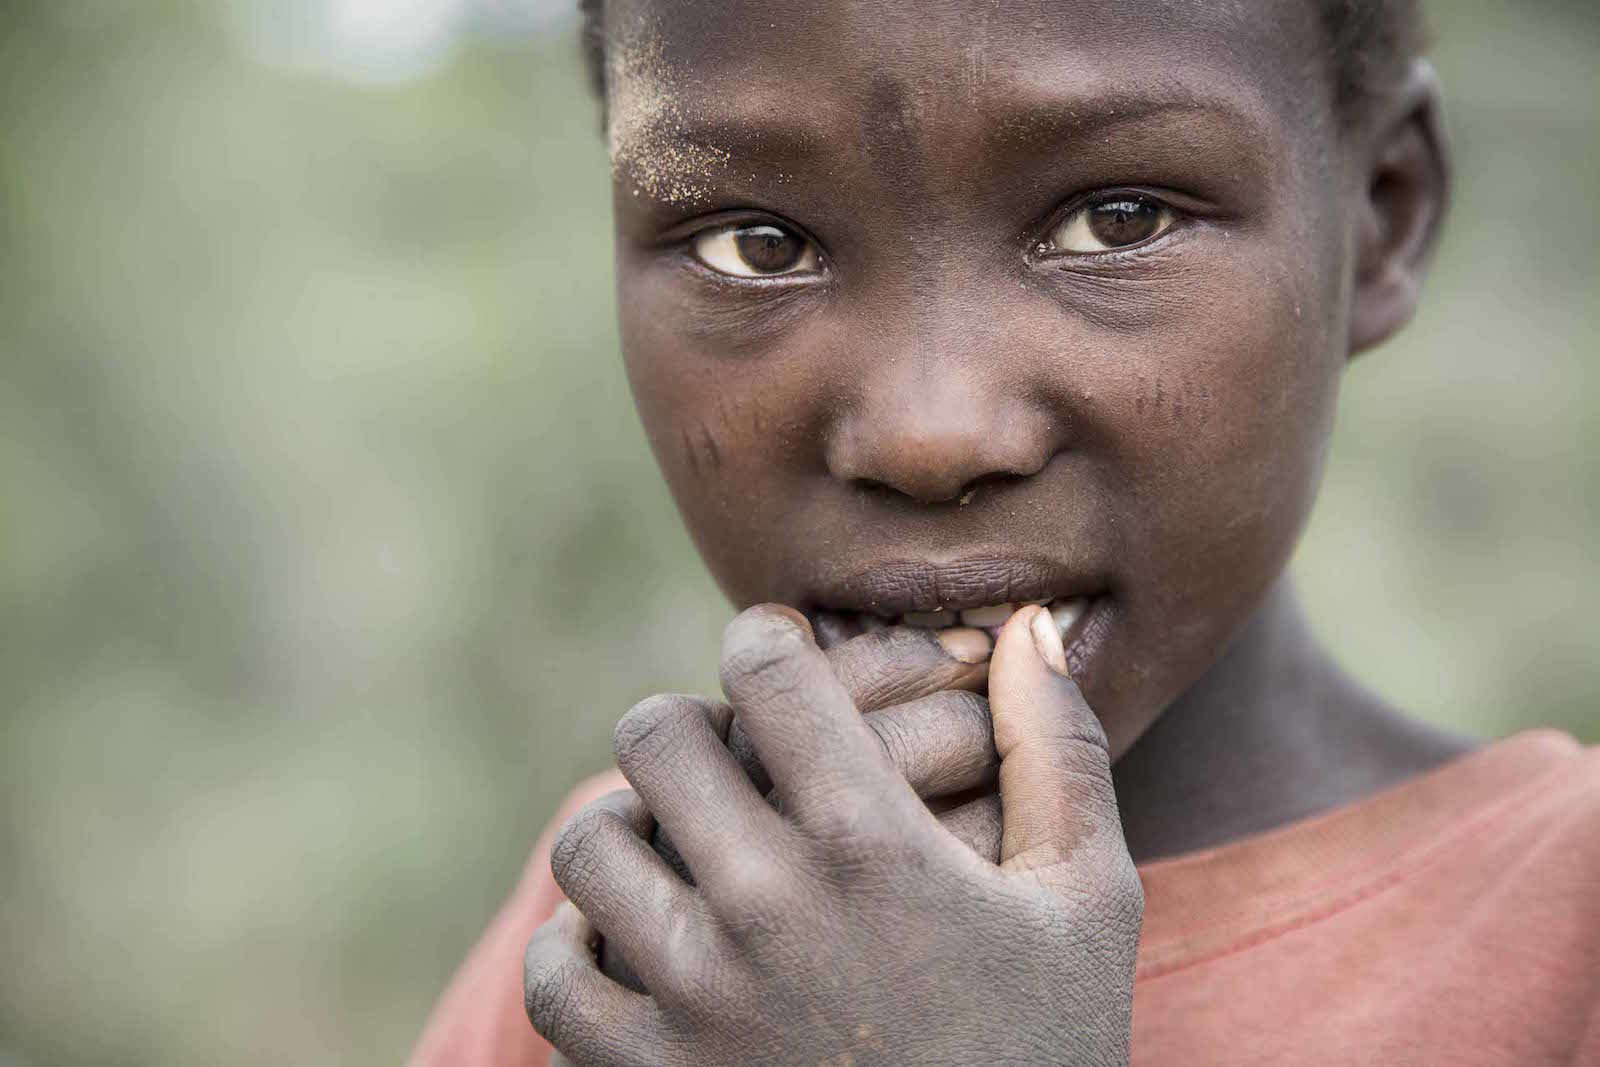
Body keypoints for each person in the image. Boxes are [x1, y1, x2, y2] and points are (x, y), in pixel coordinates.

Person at [412, 0, 1600, 1063]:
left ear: (1384, 211)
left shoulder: (1568, 929)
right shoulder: (648, 919)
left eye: (1117, 219)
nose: (928, 435)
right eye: (756, 245)